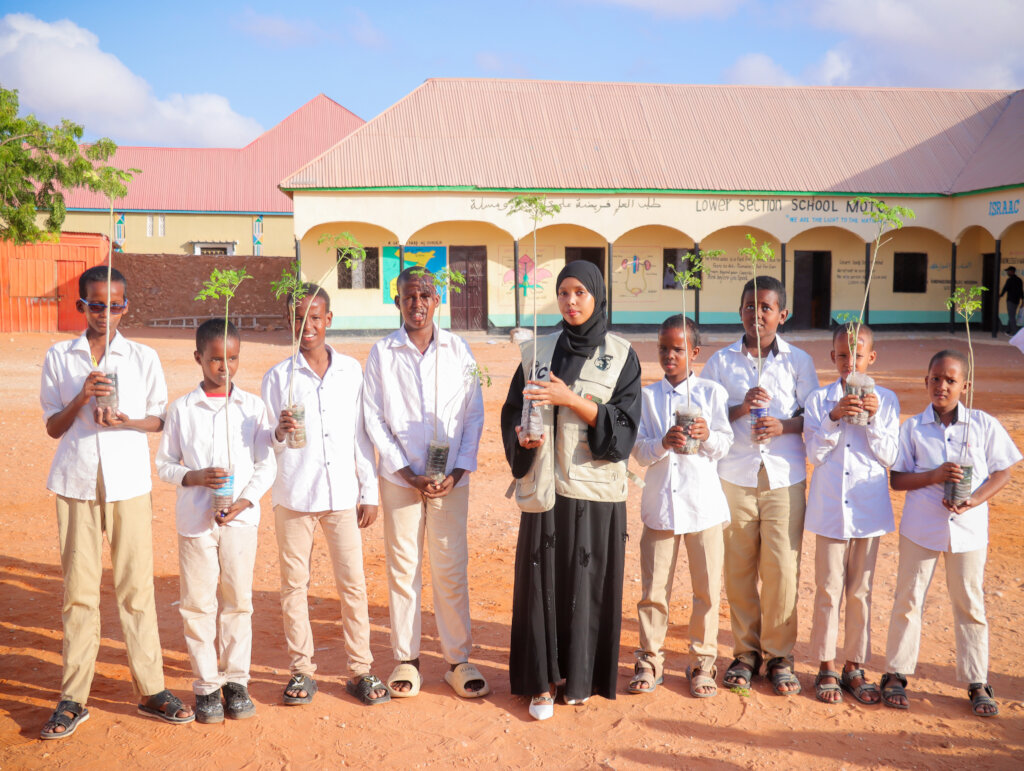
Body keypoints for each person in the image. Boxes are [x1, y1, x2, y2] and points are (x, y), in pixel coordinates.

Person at [39, 266, 193, 739]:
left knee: (135, 589)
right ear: (81, 306)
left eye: (115, 303)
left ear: (127, 306)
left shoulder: (143, 356)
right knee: (79, 593)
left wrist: (126, 421)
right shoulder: (60, 357)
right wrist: (82, 397)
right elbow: (53, 427)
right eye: (96, 303)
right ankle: (74, 697)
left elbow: (160, 420)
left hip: (128, 482)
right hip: (76, 481)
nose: (106, 312)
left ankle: (151, 690)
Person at [500, 260, 642, 721]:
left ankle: (579, 679)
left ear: (597, 295)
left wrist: (573, 401)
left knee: (585, 584)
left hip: (593, 492)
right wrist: (522, 438)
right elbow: (512, 412)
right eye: (564, 293)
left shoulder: (621, 355)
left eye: (580, 292)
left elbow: (623, 430)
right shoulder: (536, 351)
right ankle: (541, 683)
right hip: (545, 488)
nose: (571, 301)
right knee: (542, 584)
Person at [362, 267, 488, 700]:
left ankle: (457, 660)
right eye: (408, 296)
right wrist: (405, 472)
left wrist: (456, 473)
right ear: (397, 302)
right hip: (400, 480)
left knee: (451, 568)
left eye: (425, 295)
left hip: (449, 480)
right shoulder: (383, 353)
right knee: (403, 567)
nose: (417, 303)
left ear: (438, 302)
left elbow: (473, 414)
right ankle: (407, 659)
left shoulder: (458, 349)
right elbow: (374, 418)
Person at [261, 284, 389, 707]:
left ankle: (361, 669)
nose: (307, 326)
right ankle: (302, 670)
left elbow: (361, 435)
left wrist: (368, 491)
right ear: (288, 321)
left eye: (315, 317)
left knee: (352, 584)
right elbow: (268, 442)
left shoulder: (352, 372)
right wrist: (279, 431)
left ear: (329, 320)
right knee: (294, 585)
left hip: (341, 496)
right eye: (299, 317)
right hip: (294, 494)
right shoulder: (278, 378)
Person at [882, 350, 1021, 717]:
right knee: (908, 600)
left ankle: (977, 680)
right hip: (921, 528)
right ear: (925, 381)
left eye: (950, 380)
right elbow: (897, 479)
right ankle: (896, 673)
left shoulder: (983, 425)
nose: (941, 386)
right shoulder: (913, 428)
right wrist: (934, 476)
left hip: (969, 531)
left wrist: (974, 500)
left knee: (970, 604)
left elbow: (1003, 471)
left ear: (965, 386)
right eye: (935, 378)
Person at [702, 275, 818, 696]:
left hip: (784, 476)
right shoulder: (721, 362)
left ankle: (780, 655)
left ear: (782, 315)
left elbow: (815, 416)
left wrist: (783, 424)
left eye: (766, 307)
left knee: (782, 568)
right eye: (750, 306)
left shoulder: (799, 362)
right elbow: (708, 416)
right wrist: (741, 407)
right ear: (740, 312)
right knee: (738, 566)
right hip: (735, 475)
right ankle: (746, 651)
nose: (758, 314)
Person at [156, 319, 275, 722]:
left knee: (238, 600)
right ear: (199, 359)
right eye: (216, 359)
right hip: (195, 519)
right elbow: (164, 464)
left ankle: (237, 681)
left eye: (233, 358)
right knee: (197, 603)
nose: (225, 367)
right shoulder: (183, 408)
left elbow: (266, 463)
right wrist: (194, 477)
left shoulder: (253, 407)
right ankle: (207, 686)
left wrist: (245, 500)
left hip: (240, 521)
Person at [628, 315, 732, 699]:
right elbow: (638, 450)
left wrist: (706, 436)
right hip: (661, 505)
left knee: (706, 591)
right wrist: (662, 443)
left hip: (703, 505)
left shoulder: (711, 393)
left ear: (694, 352)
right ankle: (650, 658)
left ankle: (703, 661)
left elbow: (725, 443)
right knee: (655, 589)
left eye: (678, 349)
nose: (669, 356)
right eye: (663, 348)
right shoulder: (647, 397)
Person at [804, 325, 898, 705]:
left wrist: (873, 419)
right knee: (828, 588)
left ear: (871, 359)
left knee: (860, 590)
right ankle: (826, 664)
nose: (849, 362)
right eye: (842, 356)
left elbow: (891, 456)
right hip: (829, 509)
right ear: (833, 358)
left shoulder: (887, 400)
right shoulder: (818, 399)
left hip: (867, 510)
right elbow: (814, 454)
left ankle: (853, 665)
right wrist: (833, 417)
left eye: (857, 356)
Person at [998, 266, 1022, 335]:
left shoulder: (1009, 280)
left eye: (1008, 271)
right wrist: (1022, 301)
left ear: (1012, 271)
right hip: (1017, 301)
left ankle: (1015, 333)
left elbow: (1005, 289)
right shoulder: (1019, 280)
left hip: (1010, 301)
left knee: (1012, 317)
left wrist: (1000, 296)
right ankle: (1008, 330)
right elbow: (1021, 291)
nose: (1007, 273)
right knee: (1012, 315)